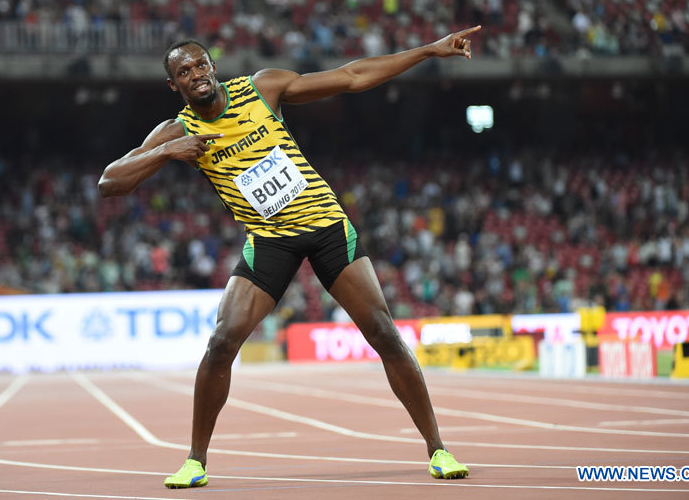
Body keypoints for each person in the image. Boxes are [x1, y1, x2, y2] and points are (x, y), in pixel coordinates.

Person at [98, 25, 482, 488]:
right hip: (268, 239)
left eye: (201, 64)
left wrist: (429, 51)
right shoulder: (177, 130)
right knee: (222, 342)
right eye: (184, 71)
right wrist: (168, 152)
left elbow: (353, 76)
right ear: (173, 85)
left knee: (383, 331)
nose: (196, 74)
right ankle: (195, 461)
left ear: (213, 67)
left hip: (325, 226)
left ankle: (438, 449)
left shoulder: (264, 87)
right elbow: (110, 182)